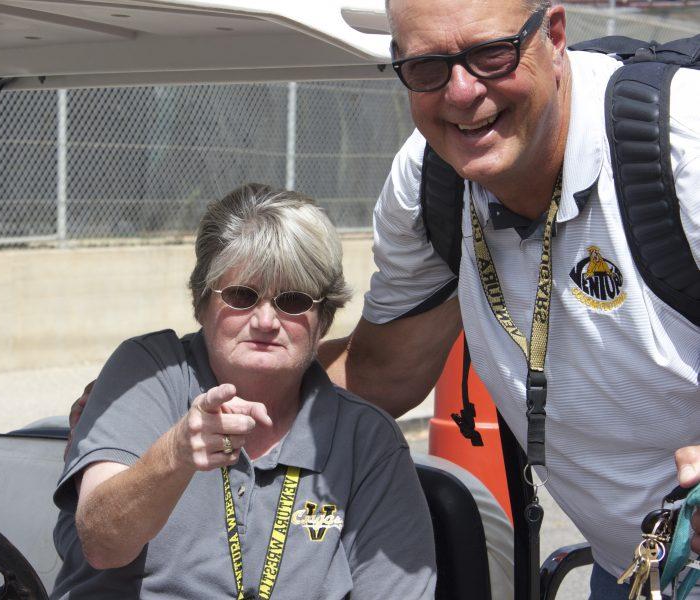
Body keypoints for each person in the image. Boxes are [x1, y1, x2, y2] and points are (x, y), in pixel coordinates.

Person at [316, 0, 700, 597]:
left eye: (491, 54)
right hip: (631, 569)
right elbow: (383, 374)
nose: (463, 92)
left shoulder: (682, 146)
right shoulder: (430, 182)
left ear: (554, 34)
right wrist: (198, 394)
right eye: (427, 67)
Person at [52, 184, 437, 599]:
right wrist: (175, 454)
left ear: (324, 319)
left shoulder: (366, 439)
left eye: (293, 300)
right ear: (201, 303)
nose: (266, 321)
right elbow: (102, 543)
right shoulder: (147, 373)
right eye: (241, 295)